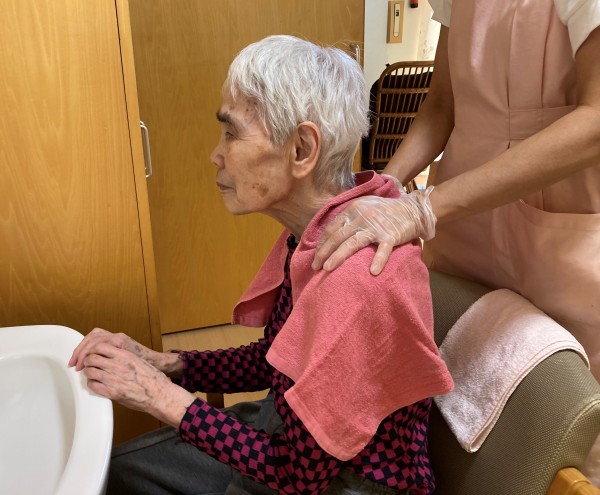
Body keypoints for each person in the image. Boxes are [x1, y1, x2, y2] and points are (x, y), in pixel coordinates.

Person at [69, 35, 453, 495]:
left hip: (347, 479)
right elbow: (275, 361)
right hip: (293, 434)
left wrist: (157, 394)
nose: (216, 154)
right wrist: (165, 364)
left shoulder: (355, 278)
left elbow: (297, 476)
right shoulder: (317, 232)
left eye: (231, 133)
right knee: (119, 470)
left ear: (301, 149)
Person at [312, 0, 600, 481]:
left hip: (559, 222)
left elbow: (596, 120)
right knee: (452, 375)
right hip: (462, 216)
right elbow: (443, 102)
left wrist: (424, 207)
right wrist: (388, 187)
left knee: (566, 411)